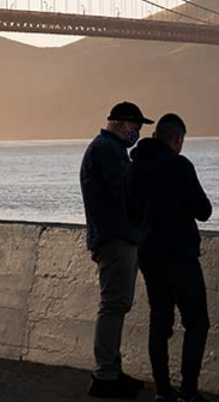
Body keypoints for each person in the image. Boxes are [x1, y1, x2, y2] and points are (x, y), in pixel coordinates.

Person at [126, 113, 212, 402]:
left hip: (149, 255)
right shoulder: (179, 165)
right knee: (196, 323)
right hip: (181, 256)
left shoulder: (135, 167)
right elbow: (204, 210)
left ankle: (163, 391)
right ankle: (189, 391)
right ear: (177, 139)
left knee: (159, 324)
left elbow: (130, 210)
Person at [80, 101, 154, 399]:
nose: (137, 132)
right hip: (115, 238)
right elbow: (126, 191)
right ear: (122, 124)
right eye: (136, 127)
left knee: (116, 303)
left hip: (113, 236)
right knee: (114, 304)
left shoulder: (106, 149)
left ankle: (112, 369)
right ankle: (105, 374)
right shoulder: (108, 150)